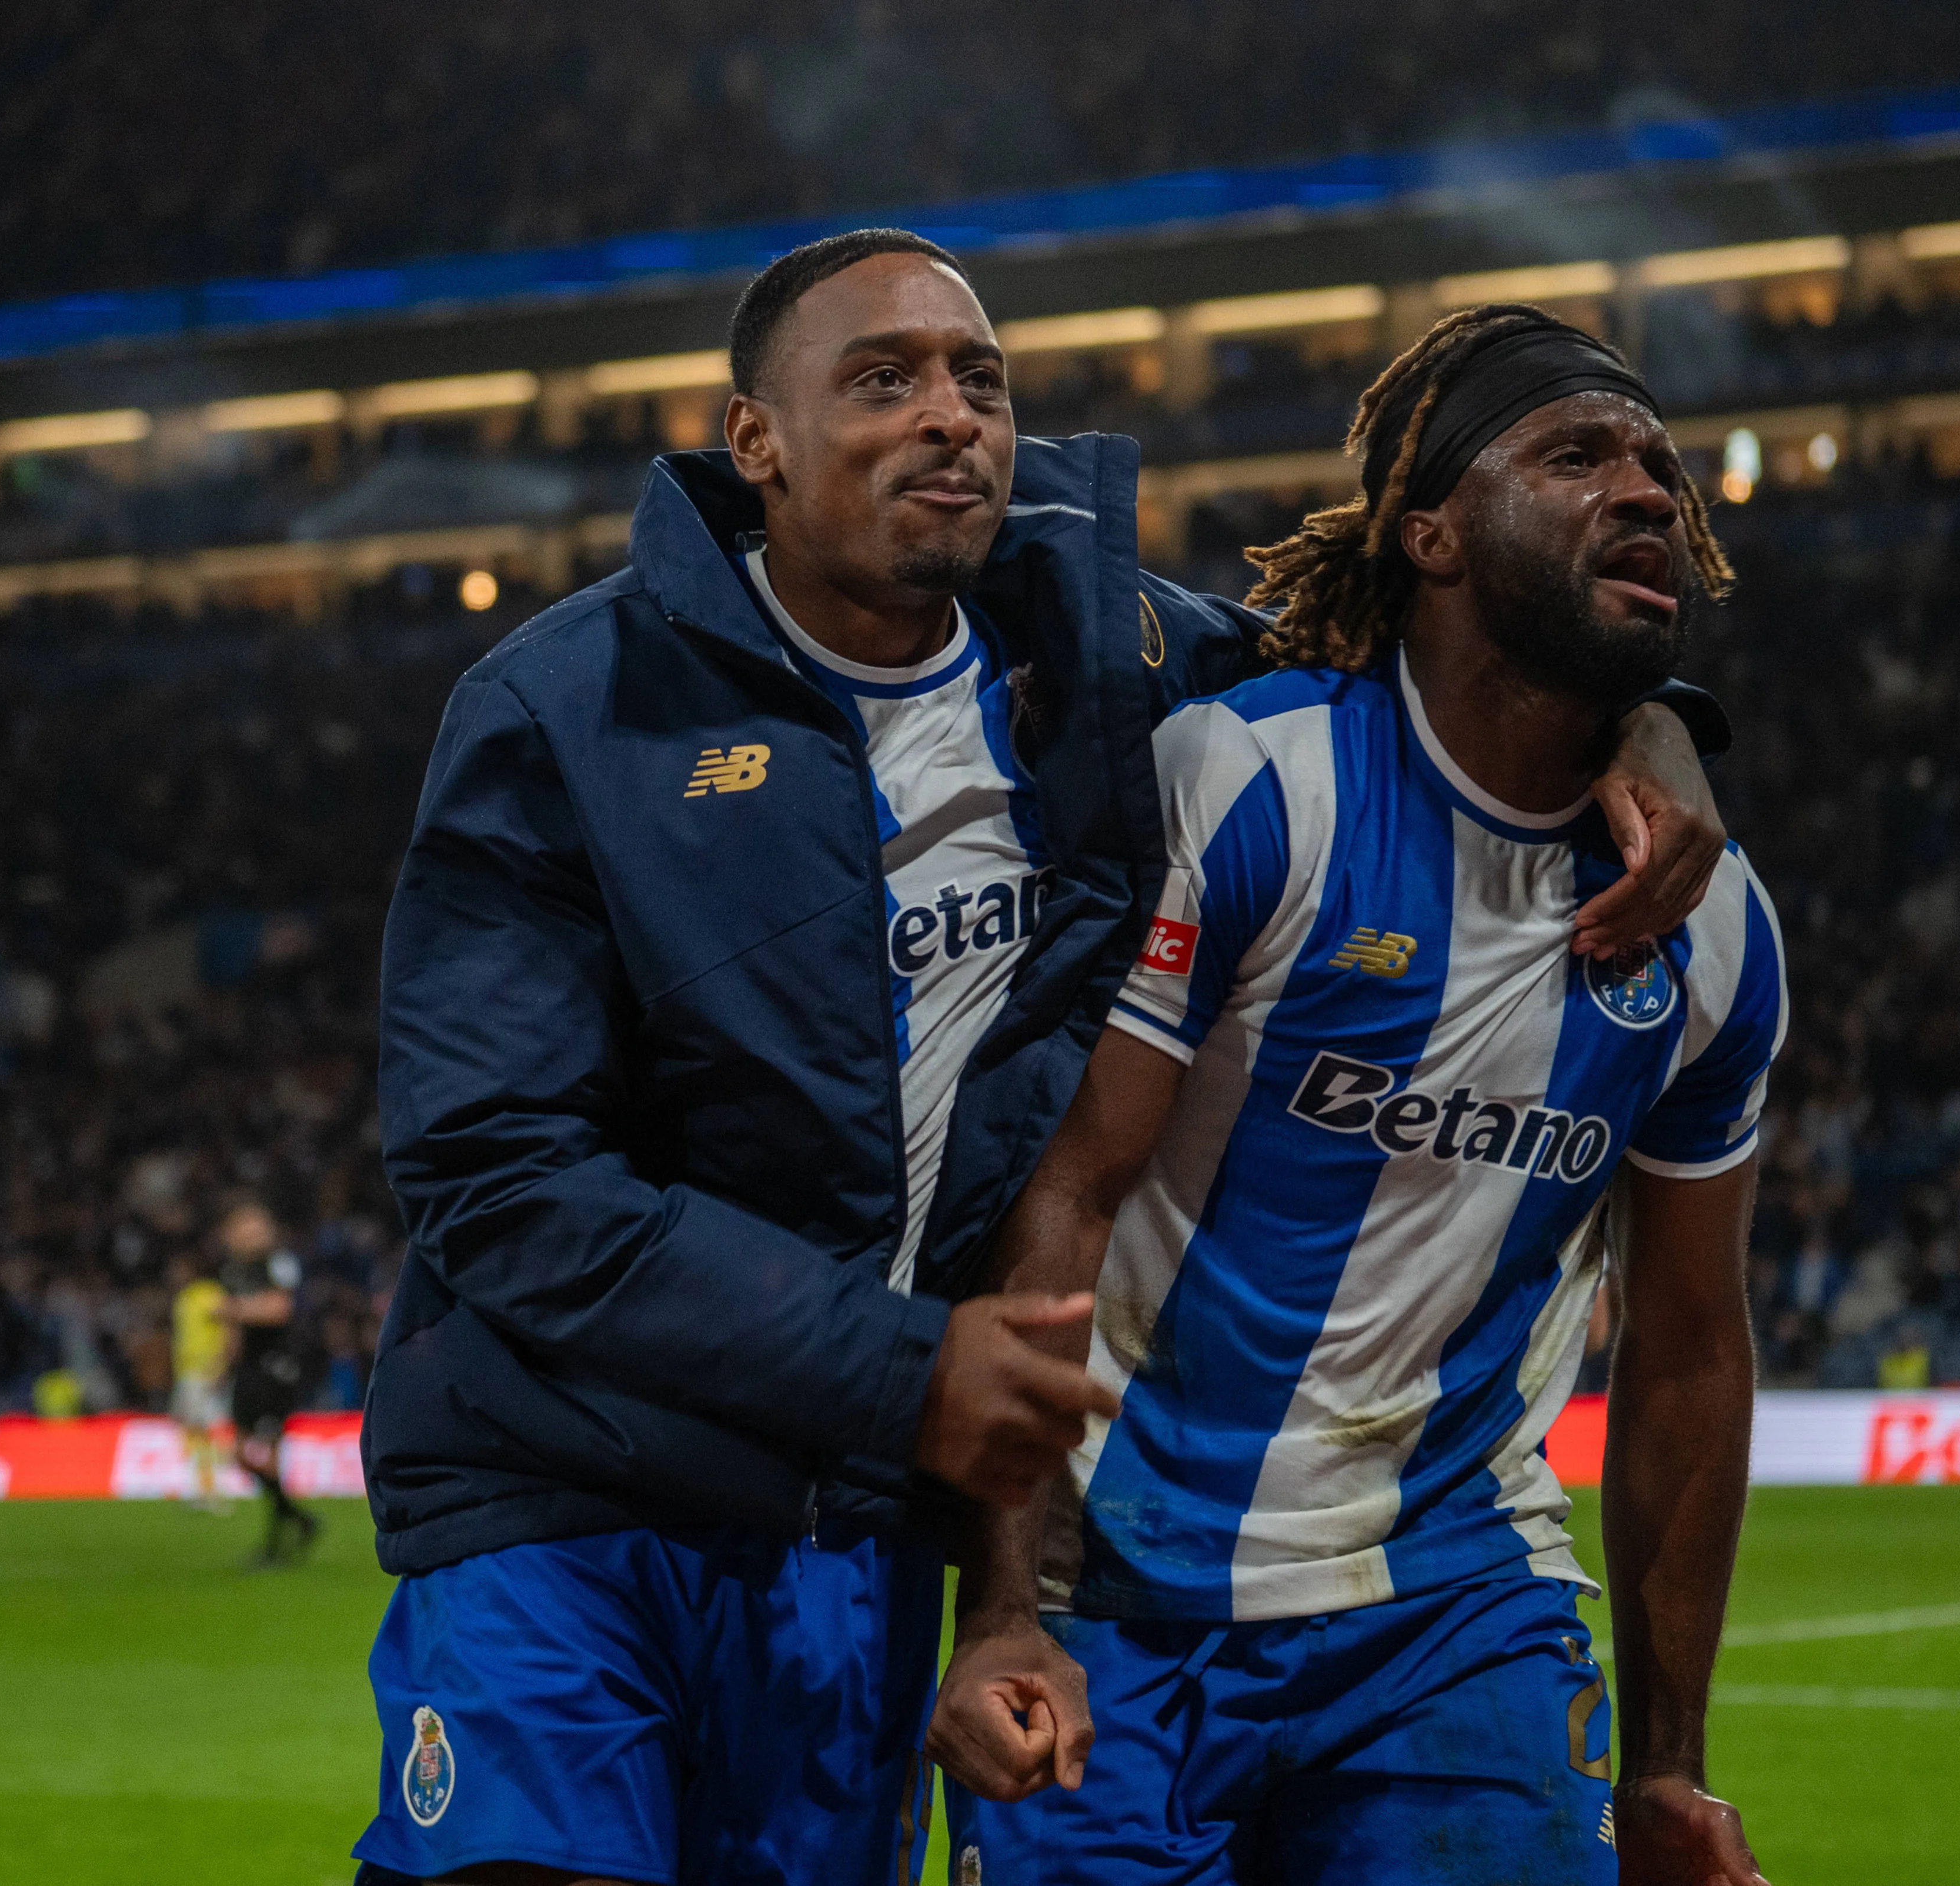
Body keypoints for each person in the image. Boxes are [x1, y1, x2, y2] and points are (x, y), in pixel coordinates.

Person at [351, 236, 1734, 1886]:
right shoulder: (566, 706)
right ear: (755, 441)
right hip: (565, 1488)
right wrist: (901, 1367)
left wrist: (1661, 726)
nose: (952, 415)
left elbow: (1442, 678)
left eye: (979, 380)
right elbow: (496, 1178)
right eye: (884, 380)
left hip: (856, 1525)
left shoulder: (1117, 664)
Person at [931, 306, 1780, 1886]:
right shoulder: (1253, 782)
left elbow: (1688, 1344)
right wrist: (999, 1600)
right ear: (1429, 532)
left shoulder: (1714, 925)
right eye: (1579, 453)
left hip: (1454, 1608)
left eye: (1661, 463)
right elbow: (1062, 1193)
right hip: (1122, 1596)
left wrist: (1667, 1760)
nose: (1653, 489)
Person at [217, 1199, 320, 1567]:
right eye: (246, 1226)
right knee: (240, 1454)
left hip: (278, 1367)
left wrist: (233, 1310)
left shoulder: (279, 1262)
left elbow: (280, 1309)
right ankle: (300, 1518)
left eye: (258, 1225)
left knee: (270, 1453)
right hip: (248, 1369)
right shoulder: (232, 1271)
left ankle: (276, 1543)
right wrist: (222, 1366)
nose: (253, 1232)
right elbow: (235, 1331)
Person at [168, 1252, 235, 1513]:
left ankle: (211, 1490)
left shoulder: (209, 1294)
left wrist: (221, 1366)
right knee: (192, 1431)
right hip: (186, 1374)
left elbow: (229, 1328)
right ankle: (200, 1487)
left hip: (204, 1373)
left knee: (204, 1431)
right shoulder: (184, 1298)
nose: (174, 1274)